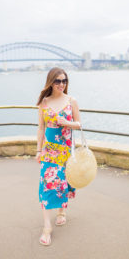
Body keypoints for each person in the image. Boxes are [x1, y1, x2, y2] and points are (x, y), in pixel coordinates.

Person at [35, 67, 81, 246]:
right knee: (46, 186)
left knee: (63, 182)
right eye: (57, 81)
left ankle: (62, 211)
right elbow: (40, 128)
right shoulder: (44, 102)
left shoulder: (71, 100)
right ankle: (47, 227)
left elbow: (79, 123)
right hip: (49, 151)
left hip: (66, 151)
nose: (61, 84)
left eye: (64, 81)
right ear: (50, 82)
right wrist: (38, 151)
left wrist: (67, 122)